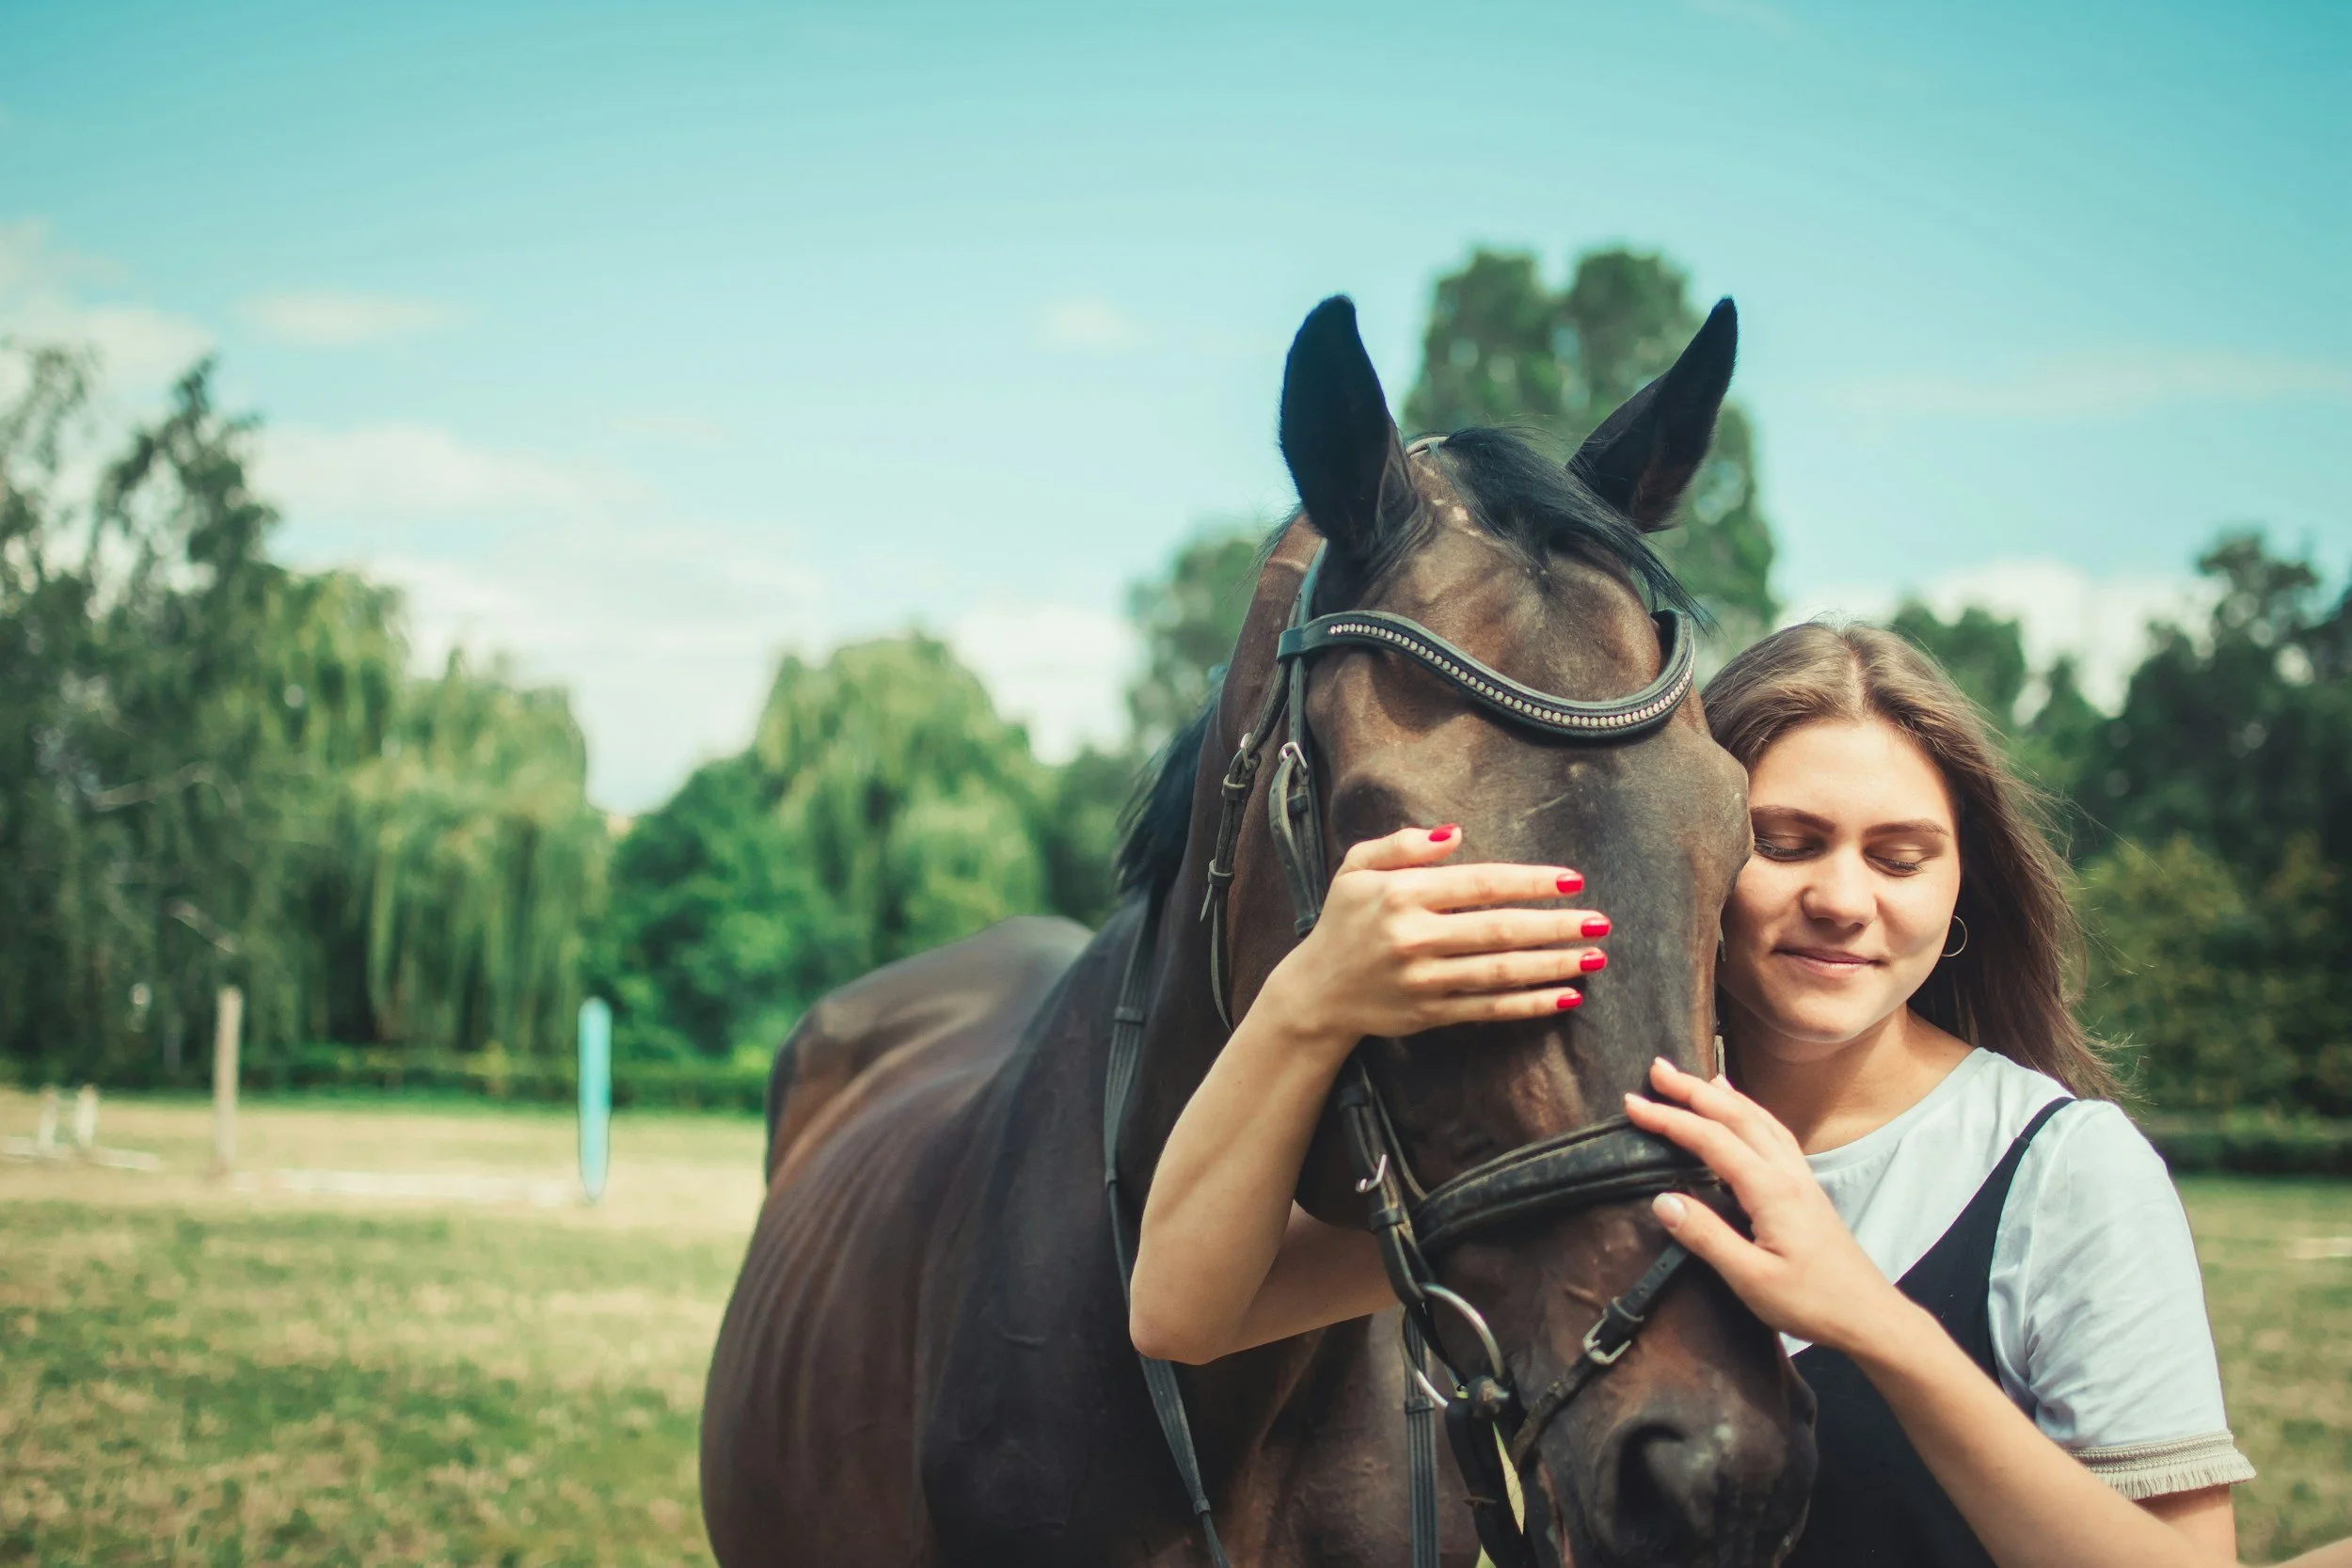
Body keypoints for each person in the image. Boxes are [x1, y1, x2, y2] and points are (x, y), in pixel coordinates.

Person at [1129, 622, 2274, 1568]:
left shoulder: (2063, 1170)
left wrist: (1868, 1319)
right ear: (1690, 851)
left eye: (1899, 855)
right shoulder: (1611, 1139)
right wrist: (1307, 1000)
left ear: (1958, 881)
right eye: (1788, 840)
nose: (1841, 895)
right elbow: (1186, 1311)